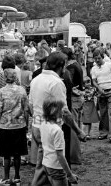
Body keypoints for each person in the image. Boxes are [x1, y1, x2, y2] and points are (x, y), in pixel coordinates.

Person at [29, 52, 86, 186]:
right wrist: (78, 131)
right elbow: (65, 112)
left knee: (44, 163)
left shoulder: (36, 79)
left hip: (37, 126)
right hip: (49, 128)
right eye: (65, 66)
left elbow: (30, 105)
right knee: (50, 166)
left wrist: (38, 121)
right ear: (60, 66)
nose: (65, 69)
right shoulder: (56, 83)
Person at [0, 68, 28, 186]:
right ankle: (17, 177)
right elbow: (26, 108)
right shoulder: (22, 91)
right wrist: (26, 124)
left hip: (5, 126)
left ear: (5, 78)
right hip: (19, 124)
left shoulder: (1, 92)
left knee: (6, 154)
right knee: (17, 153)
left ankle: (6, 178)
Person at [39, 98, 78, 186]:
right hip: (56, 167)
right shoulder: (57, 130)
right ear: (54, 111)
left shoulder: (43, 124)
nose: (63, 112)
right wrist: (70, 175)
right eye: (61, 109)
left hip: (46, 163)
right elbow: (60, 155)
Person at [91, 48, 111, 143]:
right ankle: (103, 133)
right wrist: (99, 88)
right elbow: (94, 81)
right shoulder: (93, 69)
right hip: (101, 94)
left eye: (99, 58)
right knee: (103, 114)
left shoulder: (109, 65)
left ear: (102, 56)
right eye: (95, 58)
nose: (97, 60)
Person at [61, 47, 84, 165]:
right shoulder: (76, 64)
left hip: (73, 98)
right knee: (77, 124)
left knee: (73, 127)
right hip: (78, 98)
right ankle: (75, 155)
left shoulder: (70, 68)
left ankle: (74, 156)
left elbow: (69, 84)